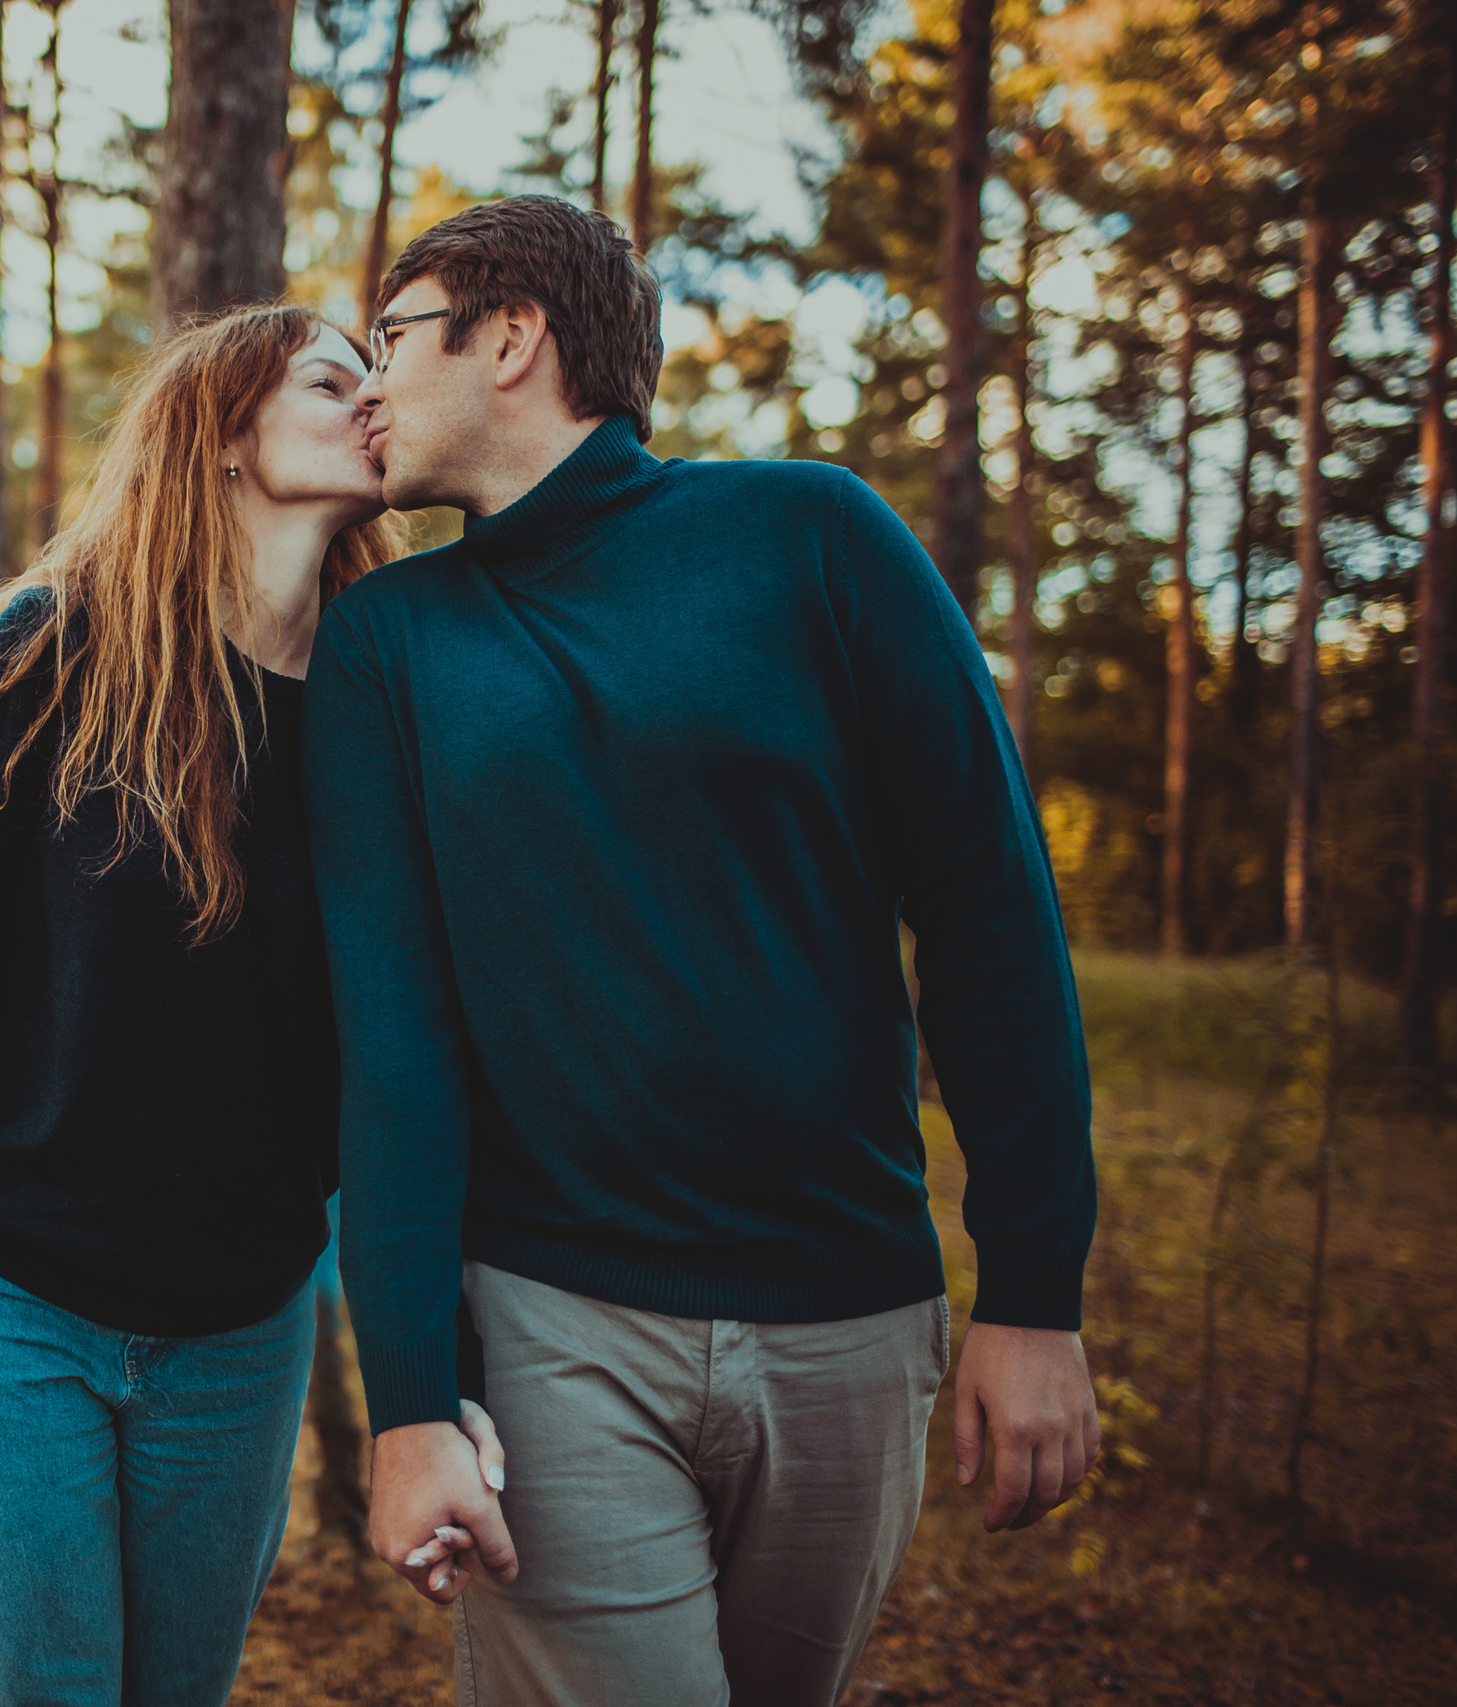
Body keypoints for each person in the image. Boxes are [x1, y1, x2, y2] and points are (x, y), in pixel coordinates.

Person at [302, 195, 1102, 1706]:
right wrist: (411, 1400)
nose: (369, 389)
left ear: (512, 336)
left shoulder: (814, 537)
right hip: (552, 1327)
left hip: (854, 1317)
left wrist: (1033, 1292)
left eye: (391, 340)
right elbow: (394, 1042)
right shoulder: (388, 644)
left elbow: (991, 910)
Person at [0, 304, 498, 1707]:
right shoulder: (41, 655)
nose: (374, 401)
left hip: (244, 1320)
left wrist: (443, 1359)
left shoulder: (381, 697)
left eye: (378, 378)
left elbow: (410, 1053)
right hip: (10, 1300)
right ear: (224, 433)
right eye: (333, 380)